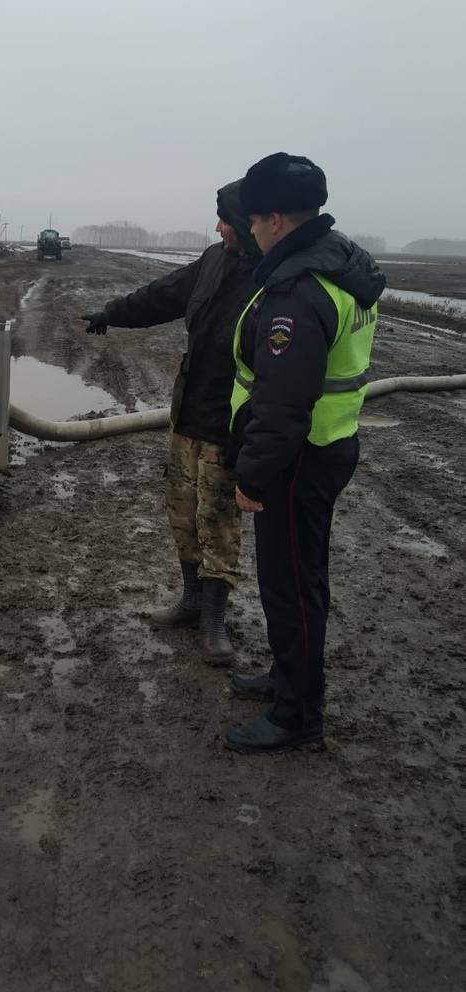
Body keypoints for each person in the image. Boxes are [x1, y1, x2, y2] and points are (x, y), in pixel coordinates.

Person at [225, 152, 386, 754]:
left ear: (274, 220)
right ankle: (288, 676)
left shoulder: (298, 289)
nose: (250, 231)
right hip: (330, 445)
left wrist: (254, 476)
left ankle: (296, 715)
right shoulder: (343, 264)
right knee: (303, 578)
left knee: (290, 586)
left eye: (254, 221)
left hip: (298, 458)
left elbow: (284, 401)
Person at [82, 181, 261, 664]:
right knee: (182, 511)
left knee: (217, 520)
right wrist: (112, 313)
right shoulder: (215, 258)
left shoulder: (272, 276)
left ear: (246, 223)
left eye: (225, 219)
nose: (218, 226)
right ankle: (191, 600)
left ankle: (214, 621)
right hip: (189, 414)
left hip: (231, 424)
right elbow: (165, 294)